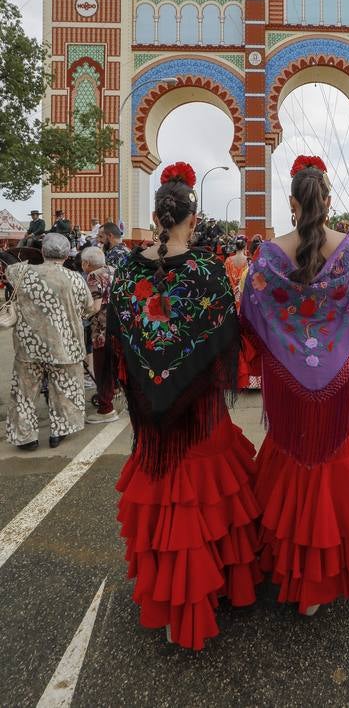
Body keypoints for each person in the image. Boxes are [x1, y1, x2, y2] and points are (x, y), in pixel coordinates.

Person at [105, 162, 261, 650]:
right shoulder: (207, 270)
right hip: (200, 413)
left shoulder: (128, 269)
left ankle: (170, 598)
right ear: (191, 220)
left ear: (155, 216)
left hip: (153, 421)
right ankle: (212, 590)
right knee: (206, 496)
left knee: (167, 495)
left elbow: (118, 340)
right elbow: (227, 337)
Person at [241, 155, 349, 616]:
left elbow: (252, 313)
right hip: (342, 390)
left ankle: (293, 570)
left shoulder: (268, 257)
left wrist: (287, 345)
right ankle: (332, 573)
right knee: (338, 462)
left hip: (291, 388)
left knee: (295, 459)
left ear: (291, 203)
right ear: (328, 202)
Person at [5, 233, 94, 450]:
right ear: (66, 254)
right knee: (65, 390)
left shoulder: (21, 272)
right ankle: (59, 432)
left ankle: (26, 437)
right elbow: (89, 308)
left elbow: (9, 267)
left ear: (42, 251)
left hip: (30, 344)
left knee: (24, 393)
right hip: (65, 344)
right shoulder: (75, 279)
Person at [81, 246, 118, 422]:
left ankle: (106, 409)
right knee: (115, 366)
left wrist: (80, 316)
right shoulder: (113, 270)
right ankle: (114, 393)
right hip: (118, 328)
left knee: (102, 370)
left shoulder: (93, 276)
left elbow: (95, 306)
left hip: (102, 330)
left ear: (87, 263)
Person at [225, 236, 260, 389]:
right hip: (245, 298)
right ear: (245, 245)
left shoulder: (228, 261)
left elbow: (227, 280)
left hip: (233, 297)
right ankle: (252, 378)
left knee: (237, 337)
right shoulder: (248, 262)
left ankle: (239, 373)